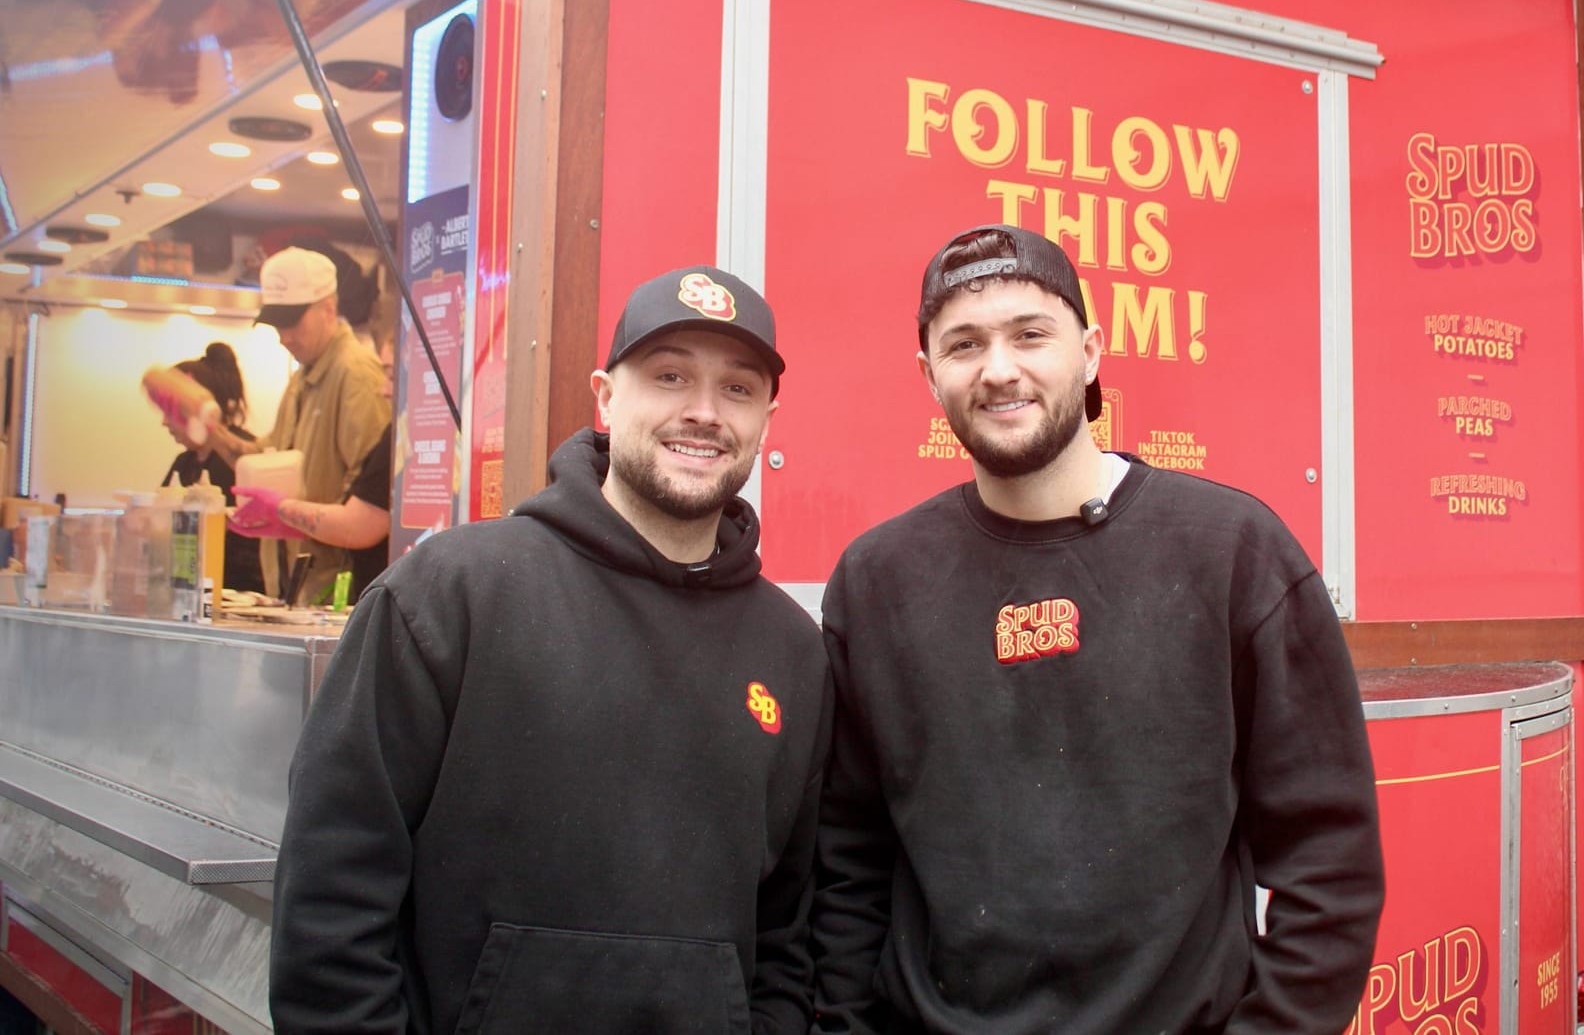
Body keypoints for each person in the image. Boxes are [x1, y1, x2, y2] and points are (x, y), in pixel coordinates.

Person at [810, 224, 1384, 1034]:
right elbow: (848, 865)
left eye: (1029, 333)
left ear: (1091, 349)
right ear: (928, 374)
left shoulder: (1231, 552)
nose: (999, 368)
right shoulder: (877, 582)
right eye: (964, 343)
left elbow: (1332, 858)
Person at [269, 265, 833, 1033]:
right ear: (605, 396)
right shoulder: (448, 593)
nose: (703, 412)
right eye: (669, 376)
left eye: (737, 388)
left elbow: (785, 933)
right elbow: (332, 890)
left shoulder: (793, 651)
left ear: (768, 415)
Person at [206, 245, 390, 604]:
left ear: (328, 308)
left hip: (337, 594)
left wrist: (284, 510)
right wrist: (209, 431)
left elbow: (369, 502)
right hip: (296, 587)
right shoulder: (300, 379)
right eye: (277, 324)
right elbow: (261, 458)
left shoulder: (355, 373)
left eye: (292, 322)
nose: (284, 336)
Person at [231, 337, 394, 601]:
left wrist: (281, 508)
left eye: (393, 377)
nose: (383, 389)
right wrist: (283, 521)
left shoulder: (399, 439)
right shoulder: (298, 384)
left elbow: (360, 525)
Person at [155, 342, 265, 594]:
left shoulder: (244, 460)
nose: (164, 421)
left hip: (242, 595)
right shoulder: (184, 464)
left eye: (171, 410)